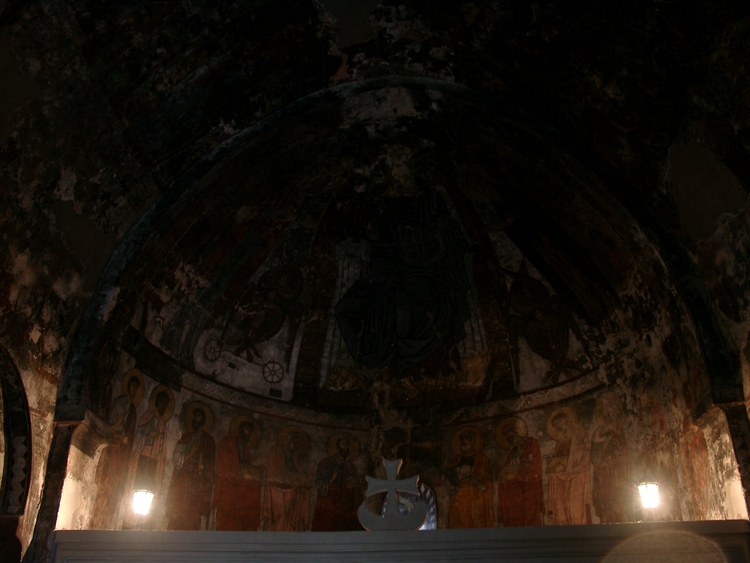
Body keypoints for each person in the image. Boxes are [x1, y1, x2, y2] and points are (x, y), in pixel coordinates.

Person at [92, 370, 142, 529]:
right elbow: (112, 424)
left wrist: (127, 438)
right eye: (132, 386)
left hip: (124, 450)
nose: (134, 390)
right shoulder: (120, 403)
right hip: (114, 444)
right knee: (107, 475)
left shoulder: (133, 410)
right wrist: (119, 426)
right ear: (128, 386)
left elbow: (131, 432)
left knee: (118, 482)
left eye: (136, 387)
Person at [165, 402, 216, 530]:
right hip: (182, 481)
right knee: (177, 514)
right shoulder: (185, 437)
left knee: (192, 517)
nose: (195, 420)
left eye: (198, 417)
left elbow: (211, 466)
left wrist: (203, 467)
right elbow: (177, 461)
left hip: (197, 485)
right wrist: (191, 453)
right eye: (194, 417)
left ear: (203, 421)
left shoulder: (209, 441)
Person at [212, 417, 262, 530]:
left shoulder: (246, 451)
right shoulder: (227, 443)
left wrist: (257, 470)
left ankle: (246, 528)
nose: (248, 434)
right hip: (228, 485)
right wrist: (239, 475)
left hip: (240, 485)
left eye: (250, 432)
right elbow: (223, 468)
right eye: (246, 430)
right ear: (240, 430)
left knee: (256, 487)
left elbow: (248, 471)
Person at [546, 408, 591, 525]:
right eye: (555, 426)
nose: (557, 427)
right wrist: (551, 460)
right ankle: (562, 521)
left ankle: (576, 525)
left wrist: (570, 466)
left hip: (577, 471)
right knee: (553, 477)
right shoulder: (561, 438)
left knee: (575, 506)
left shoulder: (578, 431)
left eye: (557, 423)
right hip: (564, 473)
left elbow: (582, 451)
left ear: (564, 420)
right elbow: (559, 456)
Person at [496, 417, 544, 526]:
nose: (510, 440)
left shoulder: (531, 443)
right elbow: (507, 468)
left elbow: (534, 466)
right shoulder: (513, 451)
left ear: (518, 432)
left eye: (512, 436)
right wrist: (504, 474)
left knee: (528, 515)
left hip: (528, 486)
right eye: (508, 438)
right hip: (514, 487)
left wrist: (517, 476)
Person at [263, 426, 312, 531]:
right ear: (288, 440)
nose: (295, 445)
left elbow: (299, 473)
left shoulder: (293, 456)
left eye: (298, 443)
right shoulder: (275, 451)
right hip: (276, 488)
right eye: (294, 441)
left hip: (290, 488)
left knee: (304, 493)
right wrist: (288, 481)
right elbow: (273, 473)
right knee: (281, 512)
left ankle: (291, 528)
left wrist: (306, 478)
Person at [443, 427, 493, 528]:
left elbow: (486, 480)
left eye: (467, 440)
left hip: (474, 494)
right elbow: (448, 476)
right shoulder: (456, 460)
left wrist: (472, 479)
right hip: (458, 494)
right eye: (462, 441)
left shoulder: (481, 458)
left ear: (473, 442)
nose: (464, 443)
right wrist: (458, 472)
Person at [312, 434, 364, 531]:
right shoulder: (326, 463)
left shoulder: (351, 466)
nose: (346, 448)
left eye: (347, 445)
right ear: (338, 446)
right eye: (343, 444)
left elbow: (353, 483)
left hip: (345, 497)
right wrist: (332, 478)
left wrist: (354, 482)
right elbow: (319, 484)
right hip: (330, 496)